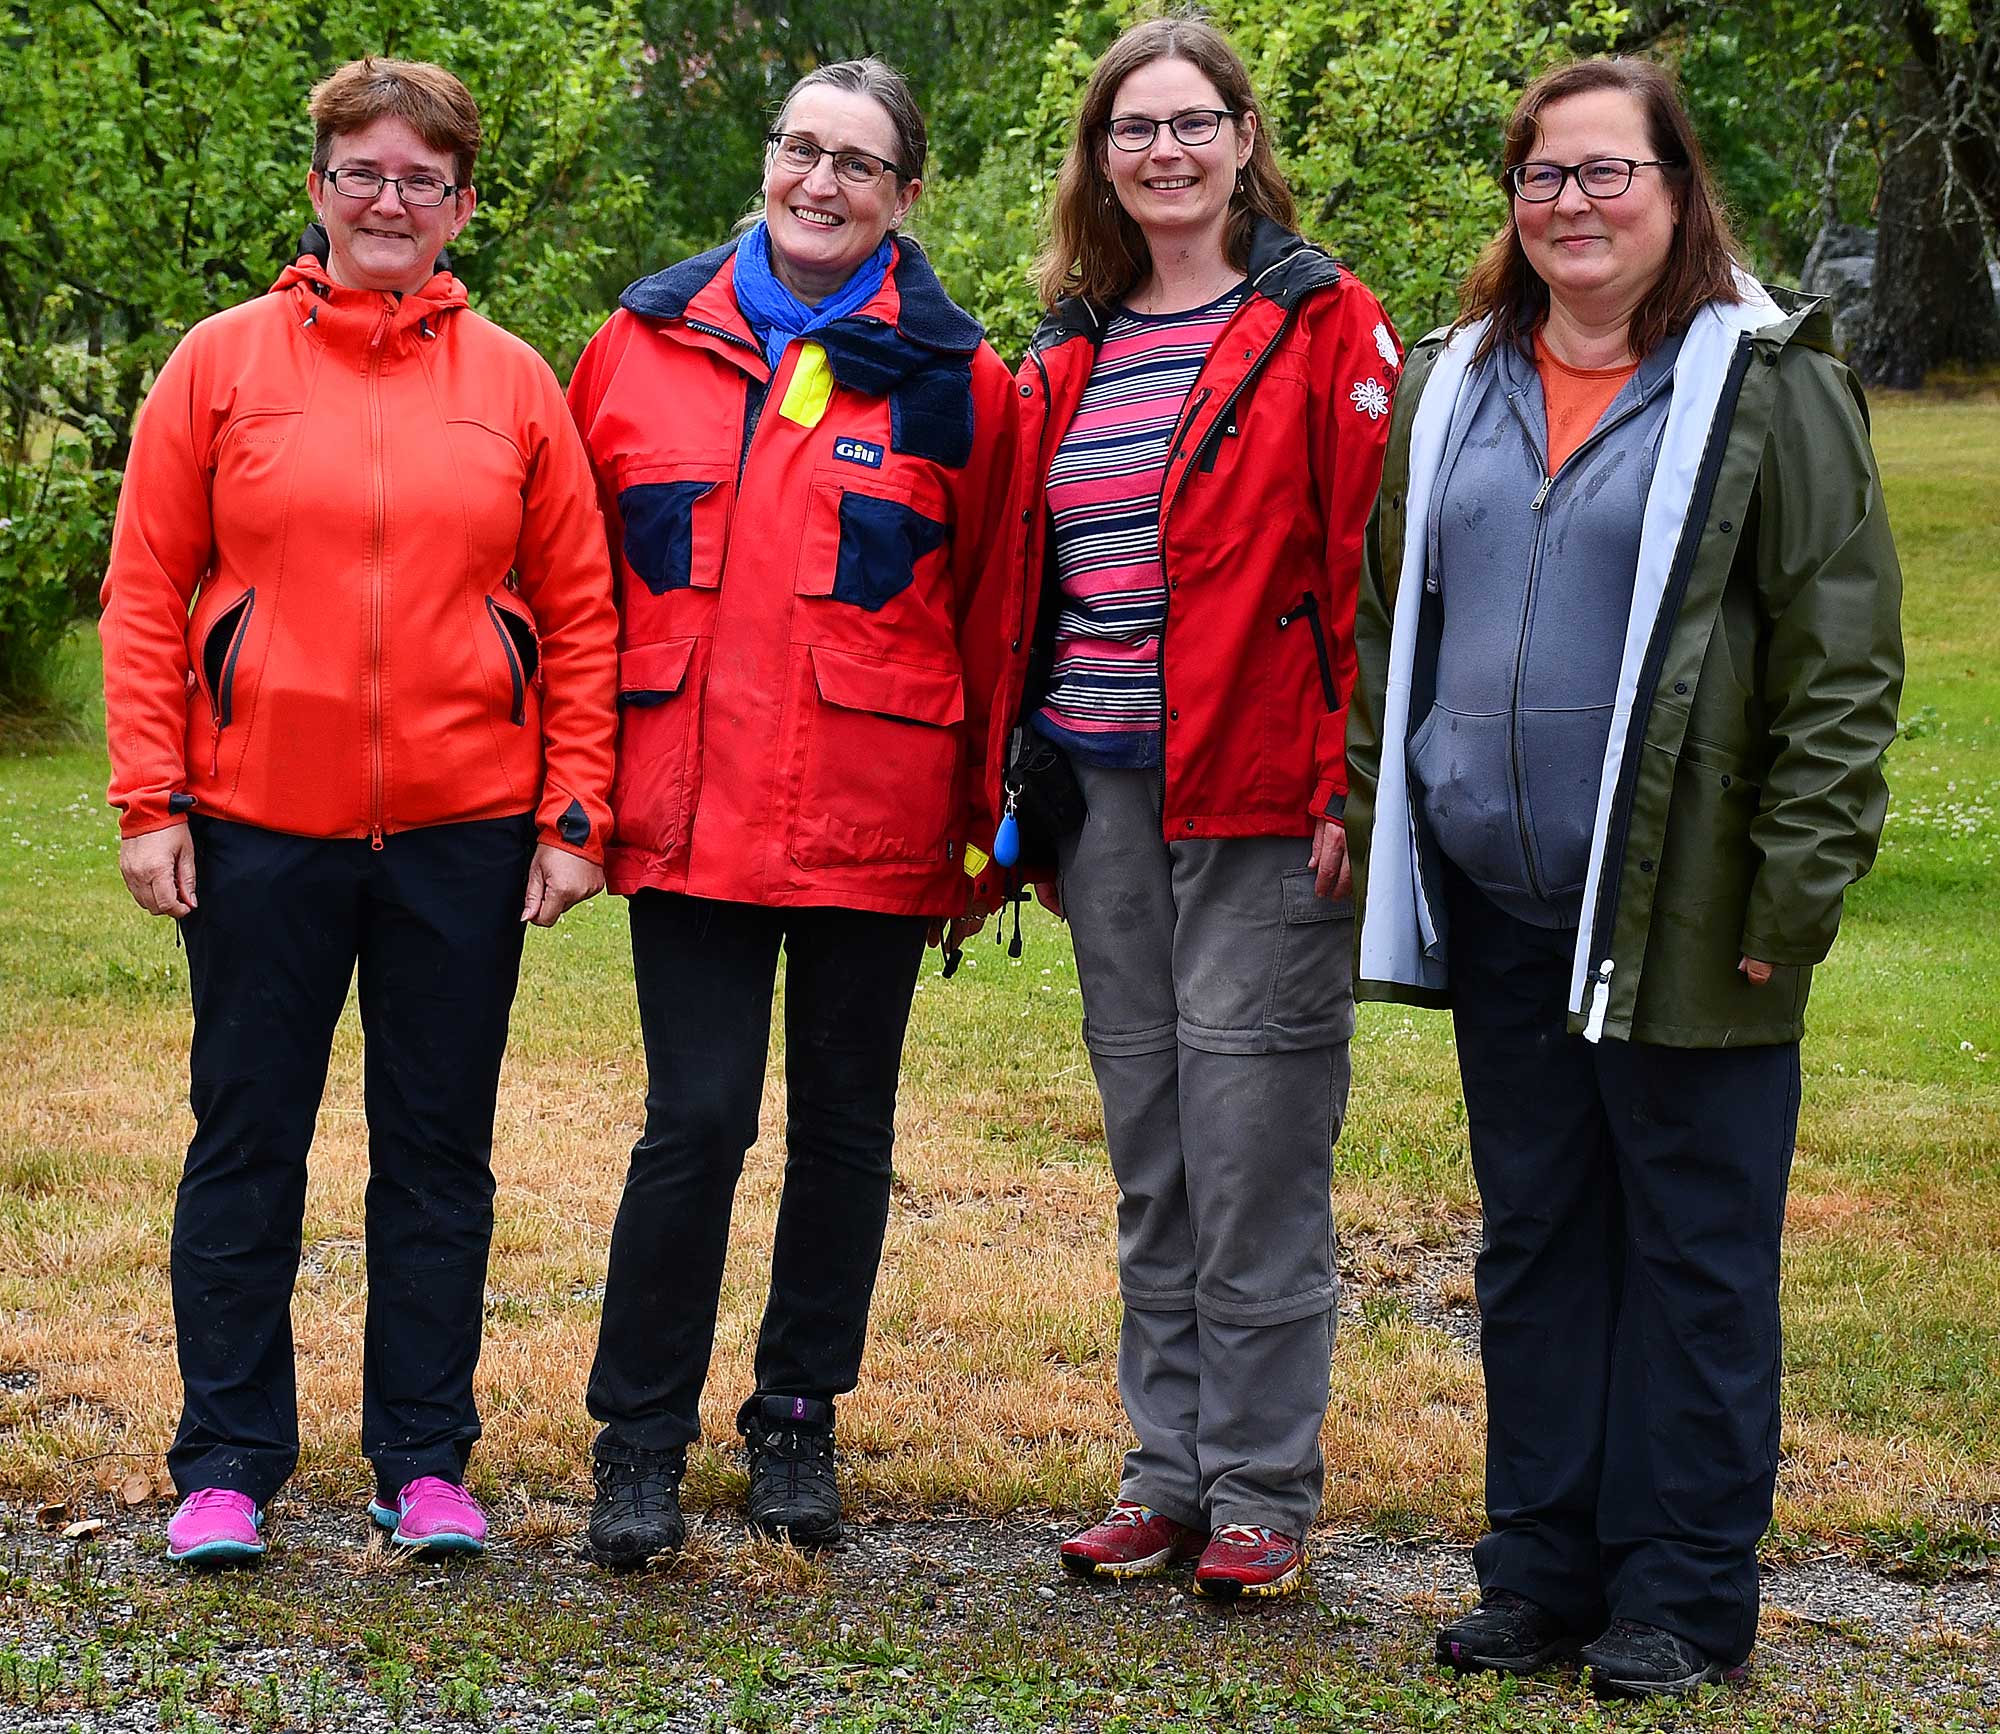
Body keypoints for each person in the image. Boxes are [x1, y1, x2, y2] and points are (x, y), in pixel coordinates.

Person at [1346, 57, 1903, 1696]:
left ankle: (1682, 1593)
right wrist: (1392, 814)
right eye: (1543, 178)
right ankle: (1542, 1568)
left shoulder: (1766, 380)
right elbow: (1398, 630)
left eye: (1607, 175)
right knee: (1536, 1240)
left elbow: (1843, 655)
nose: (1571, 206)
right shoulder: (1459, 379)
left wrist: (1790, 897)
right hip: (1506, 898)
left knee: (1693, 1249)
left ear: (1677, 189)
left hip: (1686, 905)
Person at [99, 58, 618, 1567]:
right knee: (247, 1140)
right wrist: (151, 798)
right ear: (318, 187)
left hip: (465, 830)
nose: (392, 200)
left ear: (461, 204)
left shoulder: (515, 382)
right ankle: (229, 1463)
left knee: (437, 1150)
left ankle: (424, 1461)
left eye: (423, 179)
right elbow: (144, 596)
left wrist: (574, 813)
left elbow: (581, 611)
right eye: (363, 173)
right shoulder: (217, 364)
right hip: (257, 818)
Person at [565, 57, 1021, 1568]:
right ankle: (637, 1437)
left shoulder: (965, 382)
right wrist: (570, 796)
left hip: (871, 818)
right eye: (799, 150)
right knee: (692, 1121)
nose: (819, 184)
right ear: (768, 160)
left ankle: (796, 1420)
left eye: (858, 165)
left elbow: (994, 617)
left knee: (843, 1130)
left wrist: (980, 837)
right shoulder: (634, 346)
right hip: (688, 810)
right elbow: (570, 596)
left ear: (906, 196)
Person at [1016, 16, 1398, 1601]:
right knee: (1155, 1154)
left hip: (1257, 798)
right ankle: (1164, 1475)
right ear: (1100, 160)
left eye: (1193, 123)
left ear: (1245, 139)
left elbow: (1374, 575)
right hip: (1105, 801)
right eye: (1132, 130)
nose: (1163, 152)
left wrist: (1345, 778)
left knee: (1252, 1154)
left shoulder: (1321, 323)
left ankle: (1259, 1489)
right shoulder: (1071, 343)